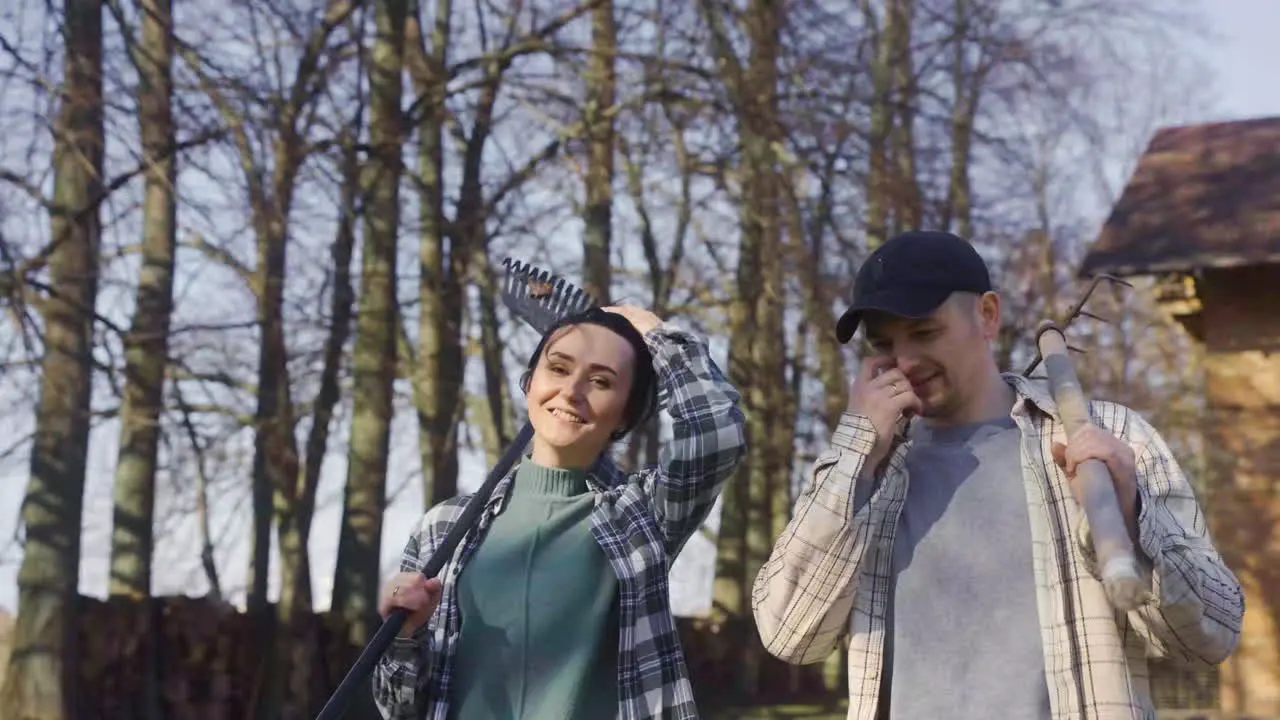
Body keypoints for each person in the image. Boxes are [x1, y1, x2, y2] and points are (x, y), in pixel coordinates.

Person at [751, 230, 1244, 720]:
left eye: (924, 333)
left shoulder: (1105, 439)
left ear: (988, 315)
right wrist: (855, 455)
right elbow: (789, 634)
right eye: (884, 344)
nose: (906, 362)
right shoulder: (870, 471)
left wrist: (1135, 517)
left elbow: (1213, 633)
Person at [372, 304, 747, 720]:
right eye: (558, 368)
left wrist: (658, 335)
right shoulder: (444, 527)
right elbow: (398, 710)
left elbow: (717, 435)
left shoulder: (641, 514)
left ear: (625, 414)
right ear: (530, 382)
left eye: (602, 380)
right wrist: (404, 636)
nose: (571, 391)